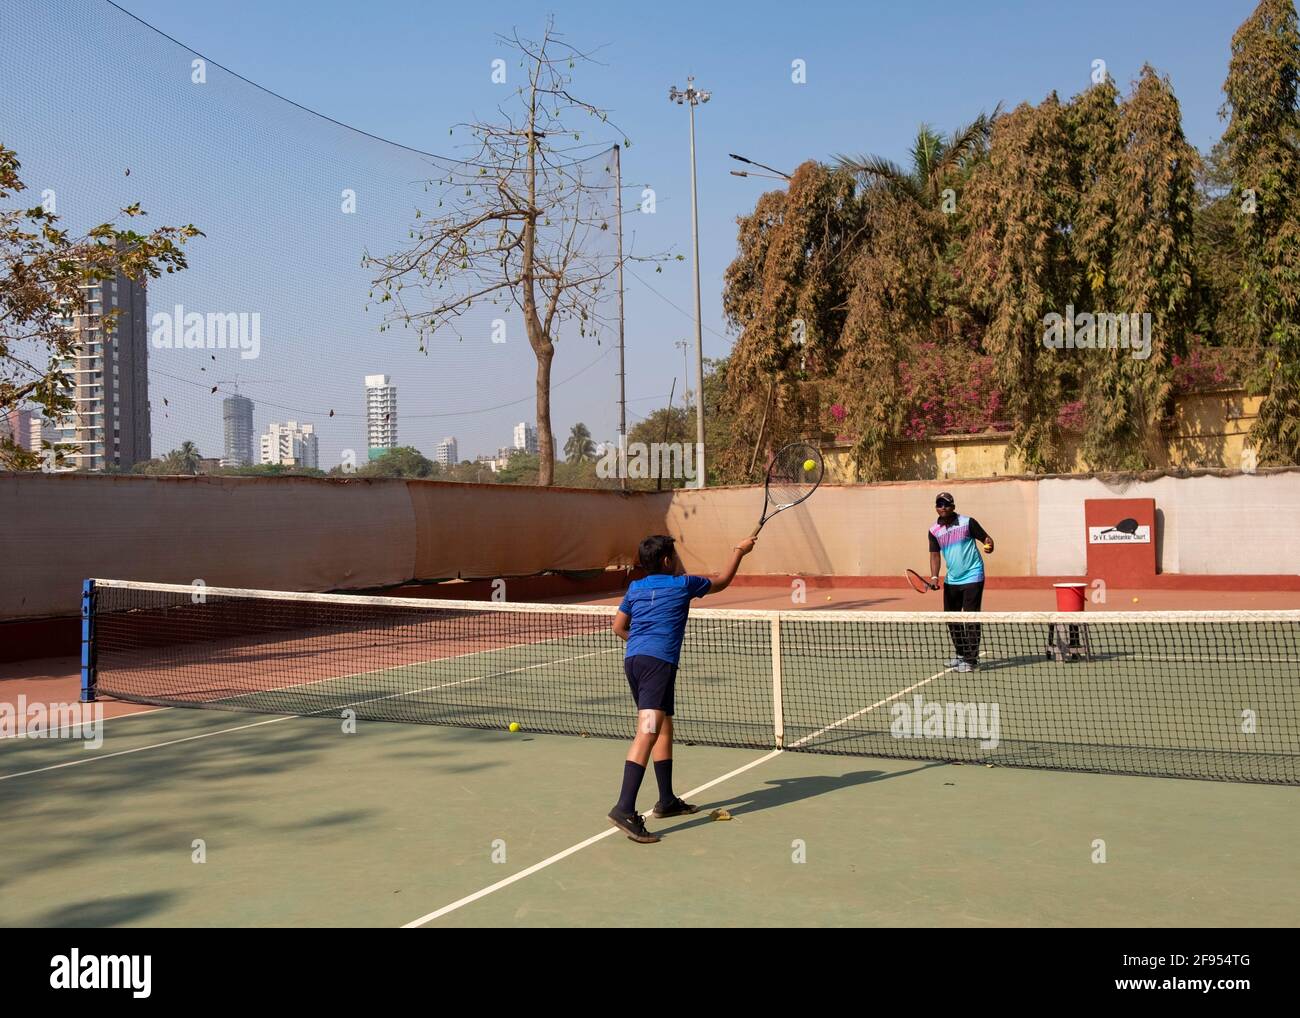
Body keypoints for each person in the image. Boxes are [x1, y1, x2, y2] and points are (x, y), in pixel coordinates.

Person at [608, 533, 756, 843]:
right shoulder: (683, 584)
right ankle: (624, 808)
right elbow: (724, 580)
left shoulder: (635, 588)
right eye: (675, 555)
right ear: (666, 560)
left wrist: (642, 645)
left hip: (634, 661)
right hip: (657, 666)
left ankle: (666, 801)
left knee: (663, 727)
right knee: (648, 730)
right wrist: (739, 551)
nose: (678, 559)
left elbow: (618, 627)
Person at [927, 492, 994, 672]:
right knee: (951, 618)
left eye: (946, 504)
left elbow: (986, 539)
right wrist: (934, 577)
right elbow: (934, 555)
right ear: (936, 507)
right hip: (952, 579)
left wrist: (989, 545)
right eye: (939, 504)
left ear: (953, 507)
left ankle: (971, 661)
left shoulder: (967, 522)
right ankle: (961, 653)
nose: (943, 507)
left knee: (971, 618)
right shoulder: (934, 531)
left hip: (973, 575)